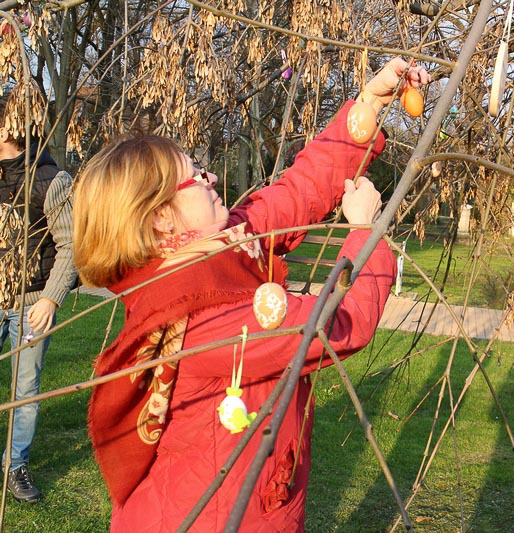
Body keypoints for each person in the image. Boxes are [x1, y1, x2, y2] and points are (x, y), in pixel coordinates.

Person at [73, 57, 431, 531]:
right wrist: (365, 231)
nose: (211, 179)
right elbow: (337, 326)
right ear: (161, 217)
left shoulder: (217, 252)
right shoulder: (199, 315)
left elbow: (297, 192)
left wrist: (370, 101)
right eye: (195, 176)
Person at [0, 86, 78, 503]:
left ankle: (15, 466)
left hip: (30, 306)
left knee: (25, 391)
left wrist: (50, 298)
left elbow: (71, 244)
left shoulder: (50, 179)